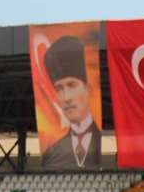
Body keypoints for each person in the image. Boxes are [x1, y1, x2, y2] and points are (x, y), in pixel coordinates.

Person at [40, 35, 101, 171]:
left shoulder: (102, 142)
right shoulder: (52, 152)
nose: (66, 97)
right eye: (59, 88)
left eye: (72, 85)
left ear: (87, 87)